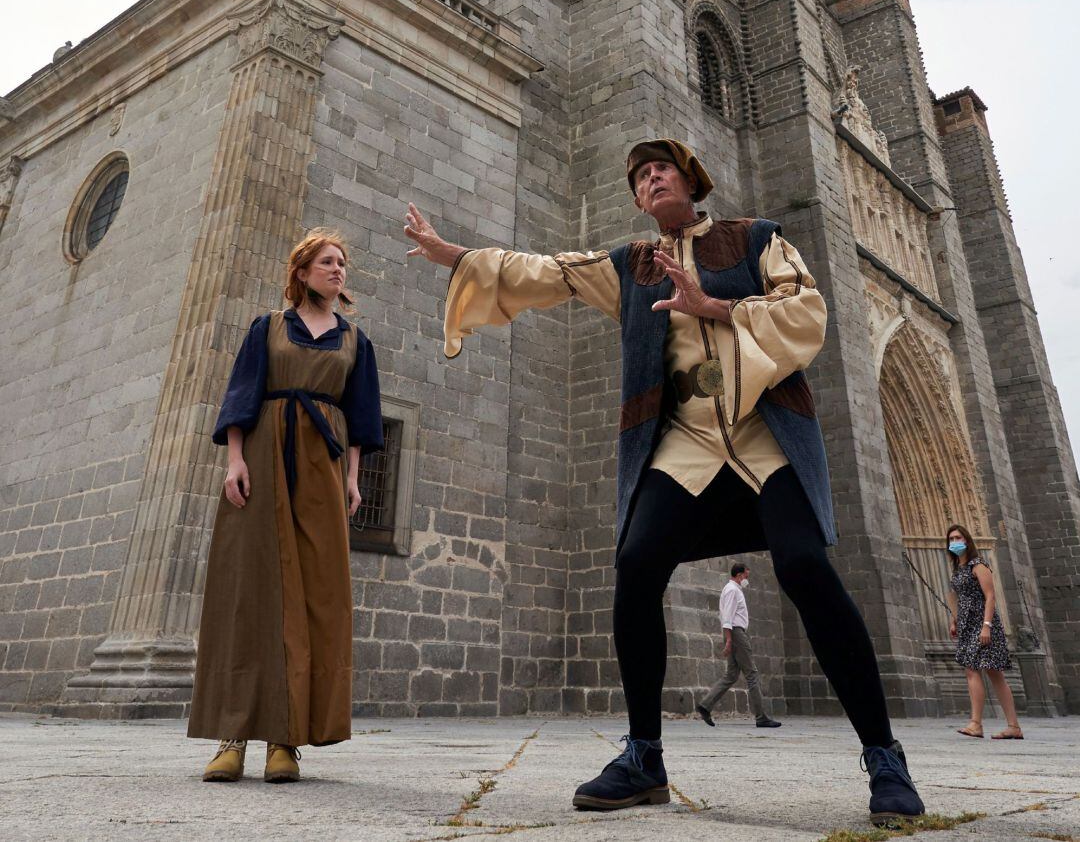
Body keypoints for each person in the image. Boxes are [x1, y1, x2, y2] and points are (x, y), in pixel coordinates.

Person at [404, 139, 925, 826]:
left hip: (762, 432)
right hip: (683, 440)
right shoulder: (631, 265)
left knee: (804, 566)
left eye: (661, 169)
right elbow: (549, 271)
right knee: (637, 560)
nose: (650, 179)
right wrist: (459, 258)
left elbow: (807, 313)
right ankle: (644, 756)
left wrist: (716, 307)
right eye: (640, 177)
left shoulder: (755, 239)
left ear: (691, 180)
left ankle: (884, 757)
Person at [188, 228, 384, 783]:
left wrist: (352, 479)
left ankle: (285, 740)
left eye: (343, 262)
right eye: (327, 261)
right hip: (263, 457)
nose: (338, 269)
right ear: (302, 271)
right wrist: (235, 462)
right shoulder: (266, 328)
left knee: (315, 596)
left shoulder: (355, 341)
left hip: (322, 468)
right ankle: (231, 737)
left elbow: (363, 421)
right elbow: (241, 396)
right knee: (247, 588)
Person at [946, 524, 1023, 740]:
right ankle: (1012, 726)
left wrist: (986, 626)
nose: (954, 542)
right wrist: (954, 620)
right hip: (966, 623)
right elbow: (959, 598)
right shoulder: (958, 569)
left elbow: (990, 596)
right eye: (951, 539)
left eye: (958, 537)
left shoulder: (978, 565)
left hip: (983, 623)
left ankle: (977, 723)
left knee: (979, 670)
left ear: (967, 540)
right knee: (988, 673)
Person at [695, 563, 781, 728]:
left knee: (732, 675)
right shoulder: (733, 590)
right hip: (736, 633)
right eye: (746, 577)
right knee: (751, 674)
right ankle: (761, 717)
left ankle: (705, 705)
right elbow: (727, 617)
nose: (747, 580)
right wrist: (729, 640)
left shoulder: (732, 590)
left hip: (734, 633)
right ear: (740, 575)